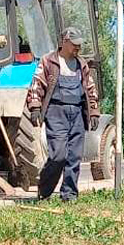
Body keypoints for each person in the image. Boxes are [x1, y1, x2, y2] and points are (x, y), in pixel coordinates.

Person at [26, 27, 100, 202]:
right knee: (58, 155)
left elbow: (90, 88)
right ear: (64, 42)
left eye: (79, 45)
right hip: (56, 113)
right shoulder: (48, 61)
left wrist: (94, 112)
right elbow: (37, 84)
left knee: (74, 157)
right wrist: (35, 106)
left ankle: (69, 195)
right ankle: (44, 190)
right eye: (74, 44)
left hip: (77, 114)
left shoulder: (81, 64)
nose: (77, 48)